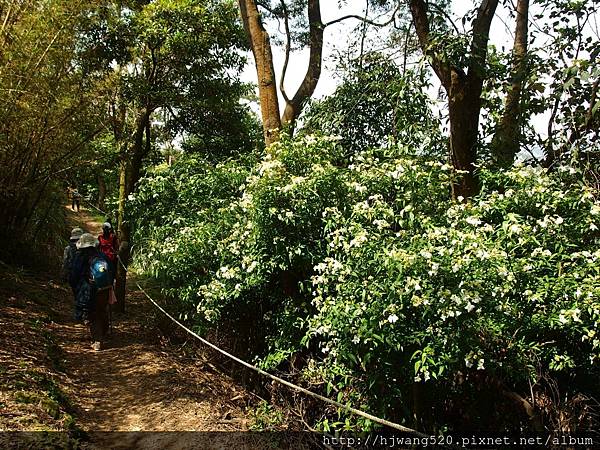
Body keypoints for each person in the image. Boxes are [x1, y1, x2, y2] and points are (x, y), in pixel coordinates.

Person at [69, 233, 111, 351]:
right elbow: (111, 272)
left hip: (89, 289)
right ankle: (103, 333)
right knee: (102, 310)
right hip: (104, 289)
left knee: (93, 313)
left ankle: (97, 340)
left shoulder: (80, 257)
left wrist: (76, 290)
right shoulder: (102, 256)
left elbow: (74, 276)